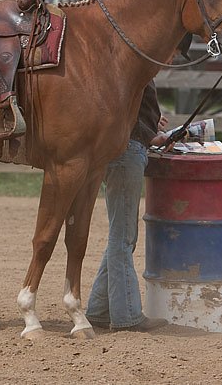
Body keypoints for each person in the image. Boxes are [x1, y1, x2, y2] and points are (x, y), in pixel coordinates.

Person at [85, 82, 171, 333]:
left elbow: (129, 113)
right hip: (127, 152)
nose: (170, 59)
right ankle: (127, 316)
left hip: (125, 150)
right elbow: (123, 115)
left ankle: (100, 310)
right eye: (173, 54)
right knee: (123, 237)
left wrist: (151, 127)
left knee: (120, 234)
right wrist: (151, 135)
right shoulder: (137, 68)